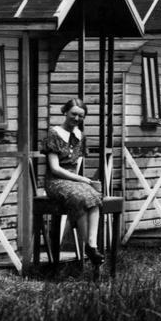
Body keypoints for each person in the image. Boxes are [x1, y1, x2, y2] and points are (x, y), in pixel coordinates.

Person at [41, 98, 105, 266]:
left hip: (72, 181)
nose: (76, 119)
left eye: (81, 116)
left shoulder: (80, 136)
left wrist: (83, 184)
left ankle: (92, 246)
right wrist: (82, 180)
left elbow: (76, 166)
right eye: (73, 114)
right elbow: (54, 168)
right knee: (80, 195)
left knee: (93, 195)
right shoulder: (53, 133)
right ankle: (89, 247)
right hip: (56, 181)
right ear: (65, 112)